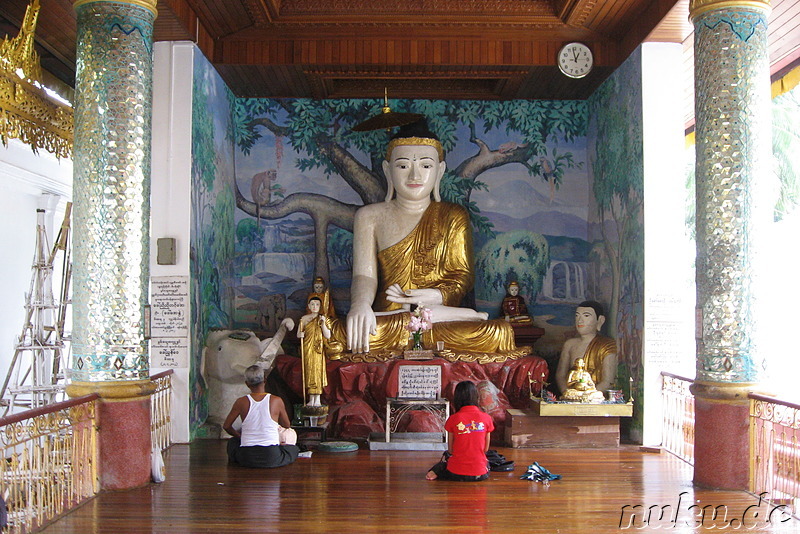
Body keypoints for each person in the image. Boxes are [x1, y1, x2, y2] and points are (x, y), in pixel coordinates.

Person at [344, 119, 526, 360]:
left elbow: (462, 275)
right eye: (402, 166)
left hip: (439, 316)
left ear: (439, 171)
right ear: (387, 171)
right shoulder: (370, 216)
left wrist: (436, 296)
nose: (415, 174)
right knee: (339, 333)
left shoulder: (453, 215)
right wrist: (360, 306)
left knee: (496, 331)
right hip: (390, 321)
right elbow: (364, 275)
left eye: (426, 166)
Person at [223, 365, 300, 468]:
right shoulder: (276, 400)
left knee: (233, 442)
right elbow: (287, 425)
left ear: (247, 384)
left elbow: (226, 426)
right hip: (271, 457)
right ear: (265, 380)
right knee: (293, 449)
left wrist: (239, 436)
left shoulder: (241, 402)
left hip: (247, 458)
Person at [426, 381, 493, 481]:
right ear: (476, 397)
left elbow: (451, 450)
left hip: (456, 473)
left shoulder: (453, 419)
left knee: (445, 463)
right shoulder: (486, 418)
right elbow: (485, 449)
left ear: (457, 398)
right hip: (480, 474)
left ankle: (436, 471)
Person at [555, 300, 618, 395]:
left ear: (600, 320)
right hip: (571, 394)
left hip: (594, 396)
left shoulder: (606, 344)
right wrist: (566, 392)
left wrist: (588, 396)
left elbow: (608, 381)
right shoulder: (570, 344)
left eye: (586, 316)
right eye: (577, 316)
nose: (580, 320)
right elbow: (560, 375)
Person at [297, 296, 337, 407]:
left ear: (321, 306)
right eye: (313, 304)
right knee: (309, 371)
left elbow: (327, 335)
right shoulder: (304, 319)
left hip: (318, 350)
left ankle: (317, 399)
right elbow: (299, 334)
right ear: (309, 306)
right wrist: (301, 334)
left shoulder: (322, 318)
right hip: (308, 349)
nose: (315, 307)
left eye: (317, 304)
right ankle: (311, 398)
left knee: (317, 372)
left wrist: (323, 323)